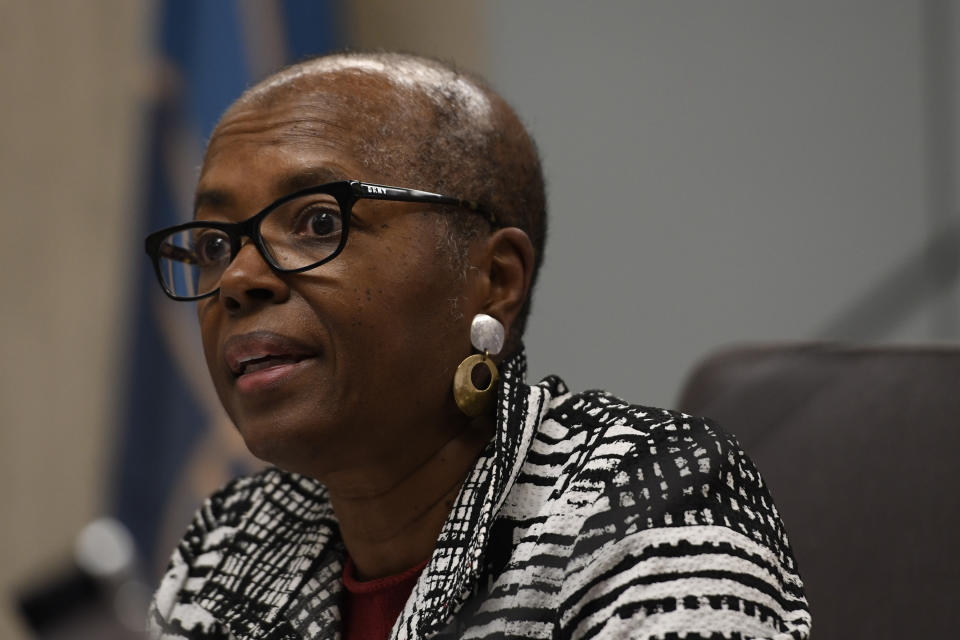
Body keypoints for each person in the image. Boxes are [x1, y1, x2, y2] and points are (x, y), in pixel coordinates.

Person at [144, 52, 811, 640]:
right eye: (211, 245)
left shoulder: (647, 498)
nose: (236, 279)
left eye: (319, 223)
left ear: (493, 280)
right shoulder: (236, 539)